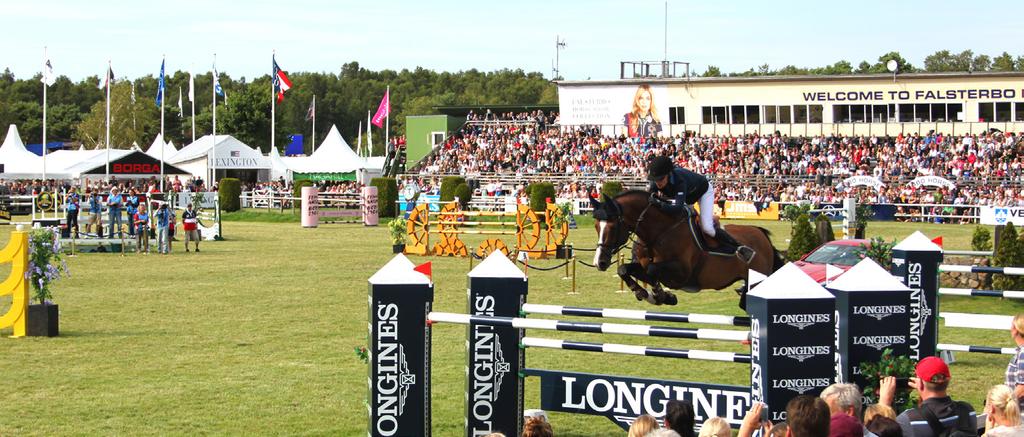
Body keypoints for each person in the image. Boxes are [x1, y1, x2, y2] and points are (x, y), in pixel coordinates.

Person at [647, 155, 754, 261]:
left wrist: (660, 204)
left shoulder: (679, 180)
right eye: (655, 179)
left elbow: (677, 208)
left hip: (703, 192)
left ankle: (739, 247)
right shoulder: (656, 182)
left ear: (669, 174)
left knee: (707, 228)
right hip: (687, 197)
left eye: (661, 179)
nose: (658, 182)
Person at [880, 357, 977, 437]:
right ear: (948, 380)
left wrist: (884, 402)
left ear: (920, 383)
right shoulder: (968, 411)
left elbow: (879, 433)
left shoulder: (908, 420)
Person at [1004, 314, 1024, 410]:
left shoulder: (1023, 353)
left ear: (1016, 329)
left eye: (1011, 325)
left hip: (1019, 411)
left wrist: (1004, 403)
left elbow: (1022, 387)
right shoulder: (1020, 351)